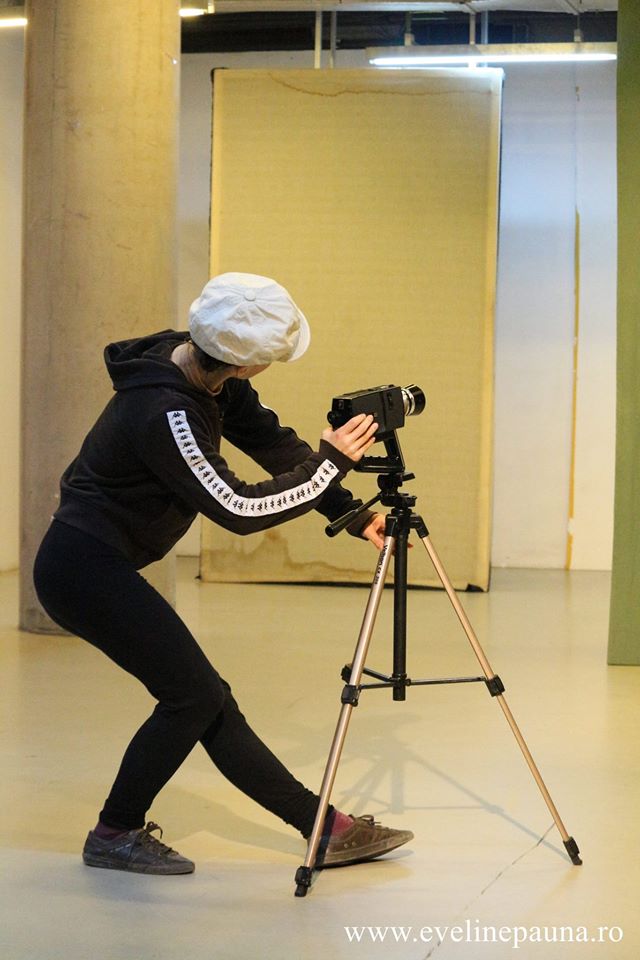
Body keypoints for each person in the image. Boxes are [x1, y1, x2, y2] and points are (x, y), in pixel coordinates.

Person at [33, 272, 413, 875]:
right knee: (194, 696)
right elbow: (236, 508)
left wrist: (350, 511)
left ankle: (323, 828)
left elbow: (272, 443)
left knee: (202, 698)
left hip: (100, 561)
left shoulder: (202, 369)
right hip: (82, 569)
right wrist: (332, 464)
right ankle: (115, 832)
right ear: (246, 363)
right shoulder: (164, 411)